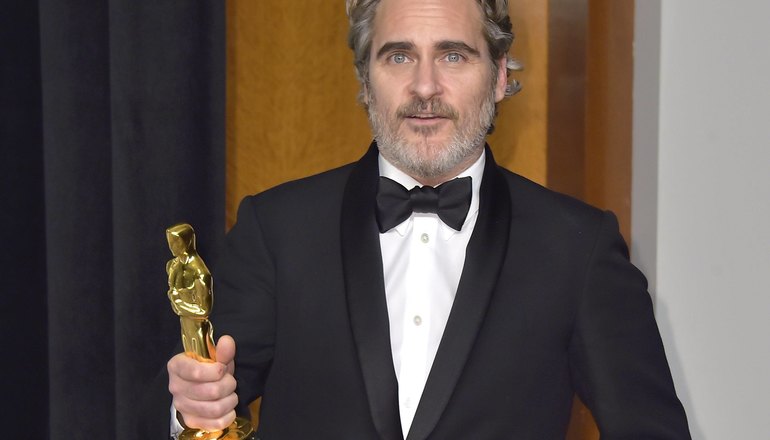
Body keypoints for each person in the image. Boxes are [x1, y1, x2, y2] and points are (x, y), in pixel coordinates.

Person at [166, 0, 692, 438]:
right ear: (365, 79)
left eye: (453, 56)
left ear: (500, 76)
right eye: (399, 56)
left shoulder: (577, 247)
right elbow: (199, 402)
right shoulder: (277, 229)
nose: (424, 87)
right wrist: (191, 411)